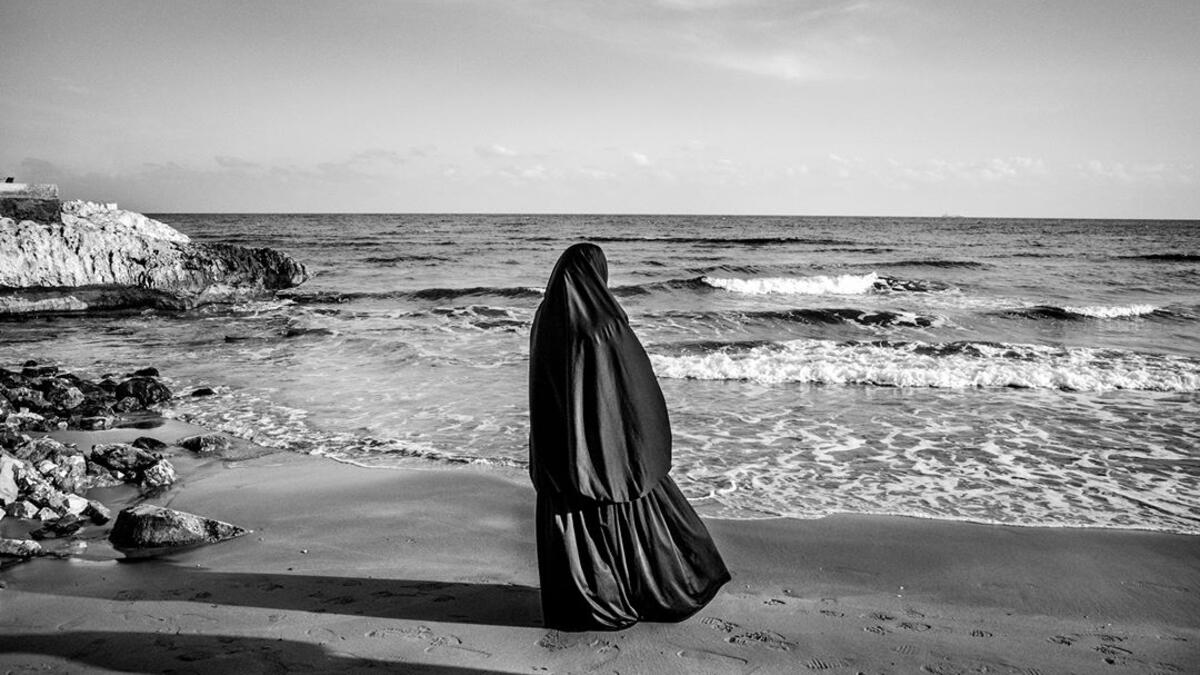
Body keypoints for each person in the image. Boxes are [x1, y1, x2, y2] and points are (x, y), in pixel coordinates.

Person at [528, 243, 730, 631]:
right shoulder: (605, 323)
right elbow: (631, 386)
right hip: (605, 445)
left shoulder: (545, 318)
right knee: (620, 507)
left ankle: (584, 603)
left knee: (574, 520)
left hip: (558, 446)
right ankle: (631, 593)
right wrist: (642, 439)